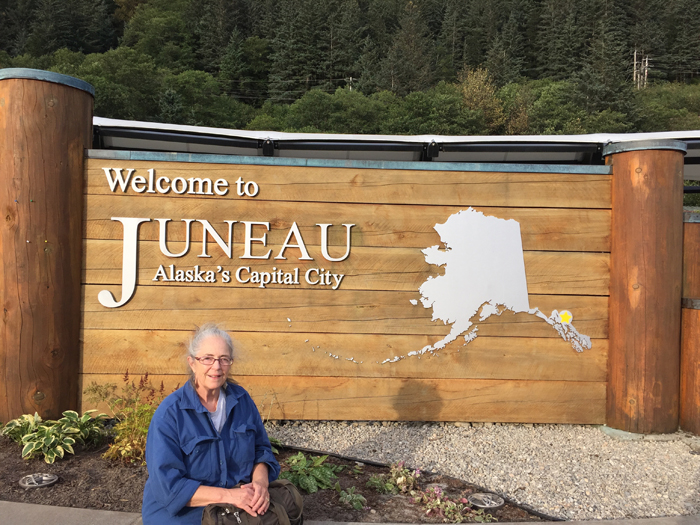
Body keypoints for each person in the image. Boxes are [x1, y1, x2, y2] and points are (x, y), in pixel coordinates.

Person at [142, 324, 280, 524]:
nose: (216, 367)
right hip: (184, 514)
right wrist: (230, 496)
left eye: (224, 359)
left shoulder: (242, 401)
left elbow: (261, 450)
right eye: (207, 358)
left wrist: (260, 483)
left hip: (233, 508)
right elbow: (169, 487)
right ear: (192, 363)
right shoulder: (170, 414)